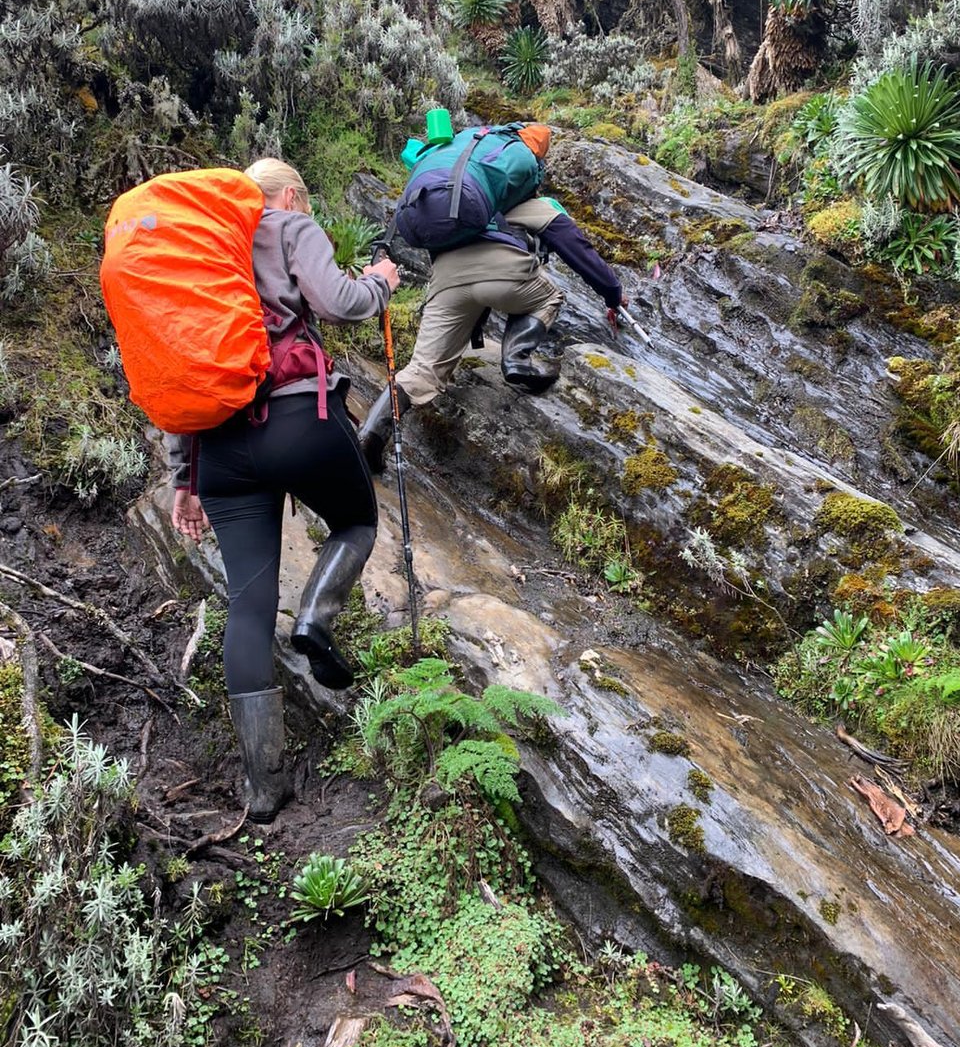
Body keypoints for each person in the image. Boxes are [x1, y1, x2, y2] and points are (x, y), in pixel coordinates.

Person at [168, 158, 399, 821]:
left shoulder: (199, 255)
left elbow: (179, 373)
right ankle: (316, 619)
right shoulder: (288, 226)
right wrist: (380, 283)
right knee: (355, 521)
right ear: (290, 193)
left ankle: (264, 787)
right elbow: (338, 303)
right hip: (297, 421)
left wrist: (184, 477)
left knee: (246, 605)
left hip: (218, 450)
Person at [358, 127, 625, 473]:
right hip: (505, 277)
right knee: (549, 297)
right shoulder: (531, 205)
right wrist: (613, 294)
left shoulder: (459, 210)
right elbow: (576, 247)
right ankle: (516, 359)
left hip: (446, 286)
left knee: (421, 371)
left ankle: (368, 437)